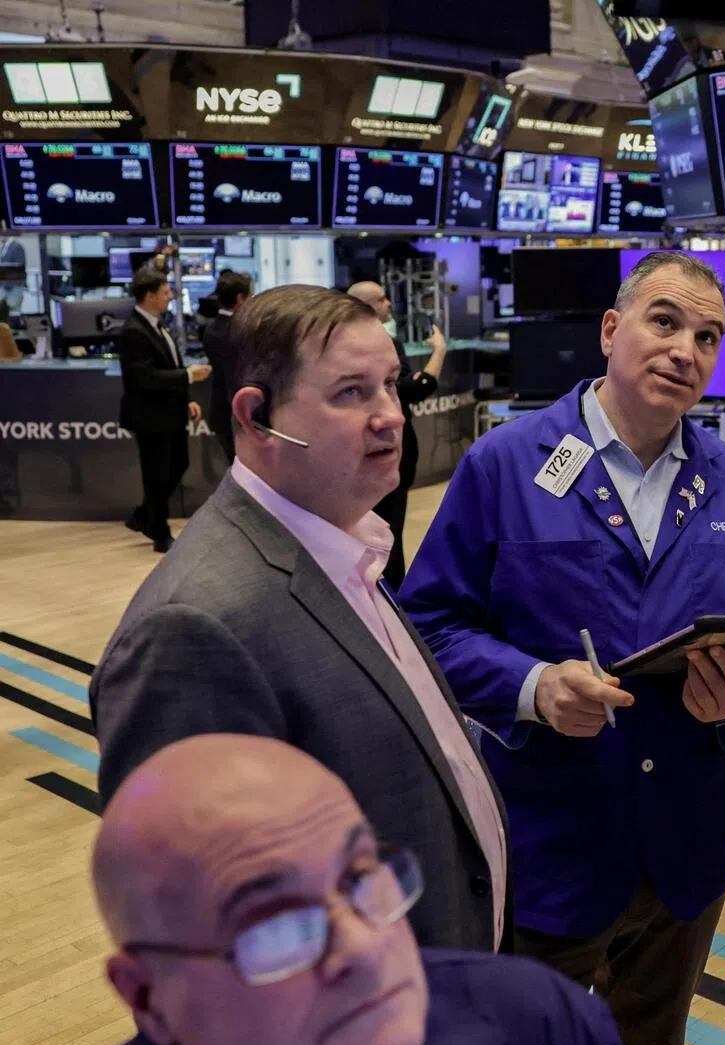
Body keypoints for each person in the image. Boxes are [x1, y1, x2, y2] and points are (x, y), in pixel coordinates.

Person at [400, 251, 725, 1045]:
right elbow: (427, 626)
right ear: (612, 330)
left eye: (707, 336)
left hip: (688, 858)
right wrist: (534, 686)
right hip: (551, 849)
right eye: (665, 322)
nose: (685, 351)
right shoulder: (507, 465)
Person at [91, 284, 506, 955]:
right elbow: (206, 943)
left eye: (391, 385)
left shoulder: (349, 549)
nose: (392, 416)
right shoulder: (193, 630)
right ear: (256, 416)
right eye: (351, 393)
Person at [25, 734, 689, 1045]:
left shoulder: (547, 1030)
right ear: (146, 999)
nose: (366, 950)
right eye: (279, 927)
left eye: (362, 878)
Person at [346, 280, 447, 589]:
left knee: (385, 533)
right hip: (379, 453)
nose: (388, 303)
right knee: (383, 533)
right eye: (381, 299)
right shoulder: (369, 347)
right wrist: (439, 352)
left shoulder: (378, 342)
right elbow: (415, 389)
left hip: (385, 453)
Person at [119, 266, 211, 553]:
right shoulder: (134, 331)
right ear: (149, 296)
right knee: (156, 475)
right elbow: (144, 378)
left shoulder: (158, 325)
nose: (170, 296)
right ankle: (159, 532)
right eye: (165, 292)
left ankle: (145, 515)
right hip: (150, 416)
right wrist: (188, 376)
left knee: (178, 464)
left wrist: (185, 398)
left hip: (169, 412)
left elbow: (166, 367)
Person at [202, 271, 253, 464]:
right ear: (241, 298)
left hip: (221, 412)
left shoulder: (211, 329)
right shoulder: (242, 330)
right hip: (243, 414)